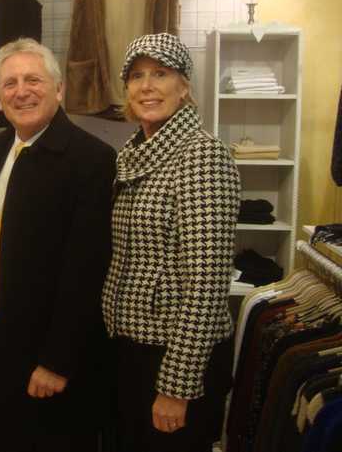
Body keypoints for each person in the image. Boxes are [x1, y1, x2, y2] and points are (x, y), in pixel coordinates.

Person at [0, 38, 117, 452]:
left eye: (33, 79)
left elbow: (87, 269)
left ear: (59, 90)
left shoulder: (92, 160)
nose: (22, 91)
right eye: (10, 83)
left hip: (52, 360)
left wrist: (57, 360)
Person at [101, 33, 241, 452]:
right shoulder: (133, 153)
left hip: (174, 357)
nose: (147, 86)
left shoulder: (202, 156)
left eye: (161, 74)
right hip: (131, 348)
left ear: (183, 86)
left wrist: (176, 387)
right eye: (137, 75)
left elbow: (207, 285)